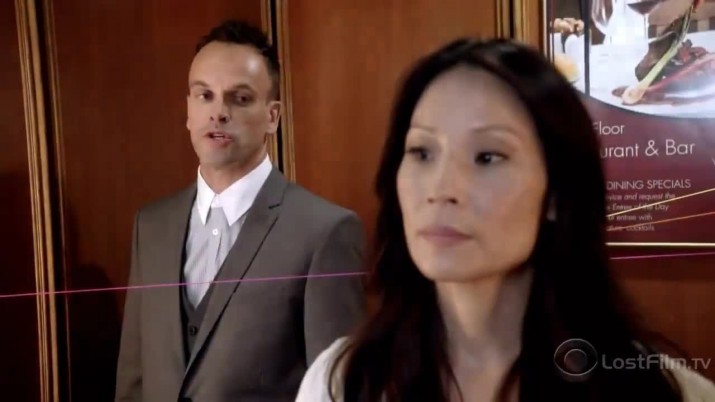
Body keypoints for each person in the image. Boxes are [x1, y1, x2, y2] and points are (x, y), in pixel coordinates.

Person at [294, 38, 715, 402]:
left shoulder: (655, 389)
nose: (440, 188)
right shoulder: (343, 382)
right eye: (421, 152)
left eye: (487, 157)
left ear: (556, 192)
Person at [114, 20, 366, 402]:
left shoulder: (325, 232)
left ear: (272, 116)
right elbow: (133, 382)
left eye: (240, 98)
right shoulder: (151, 226)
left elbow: (336, 393)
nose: (218, 112)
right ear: (188, 109)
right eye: (205, 95)